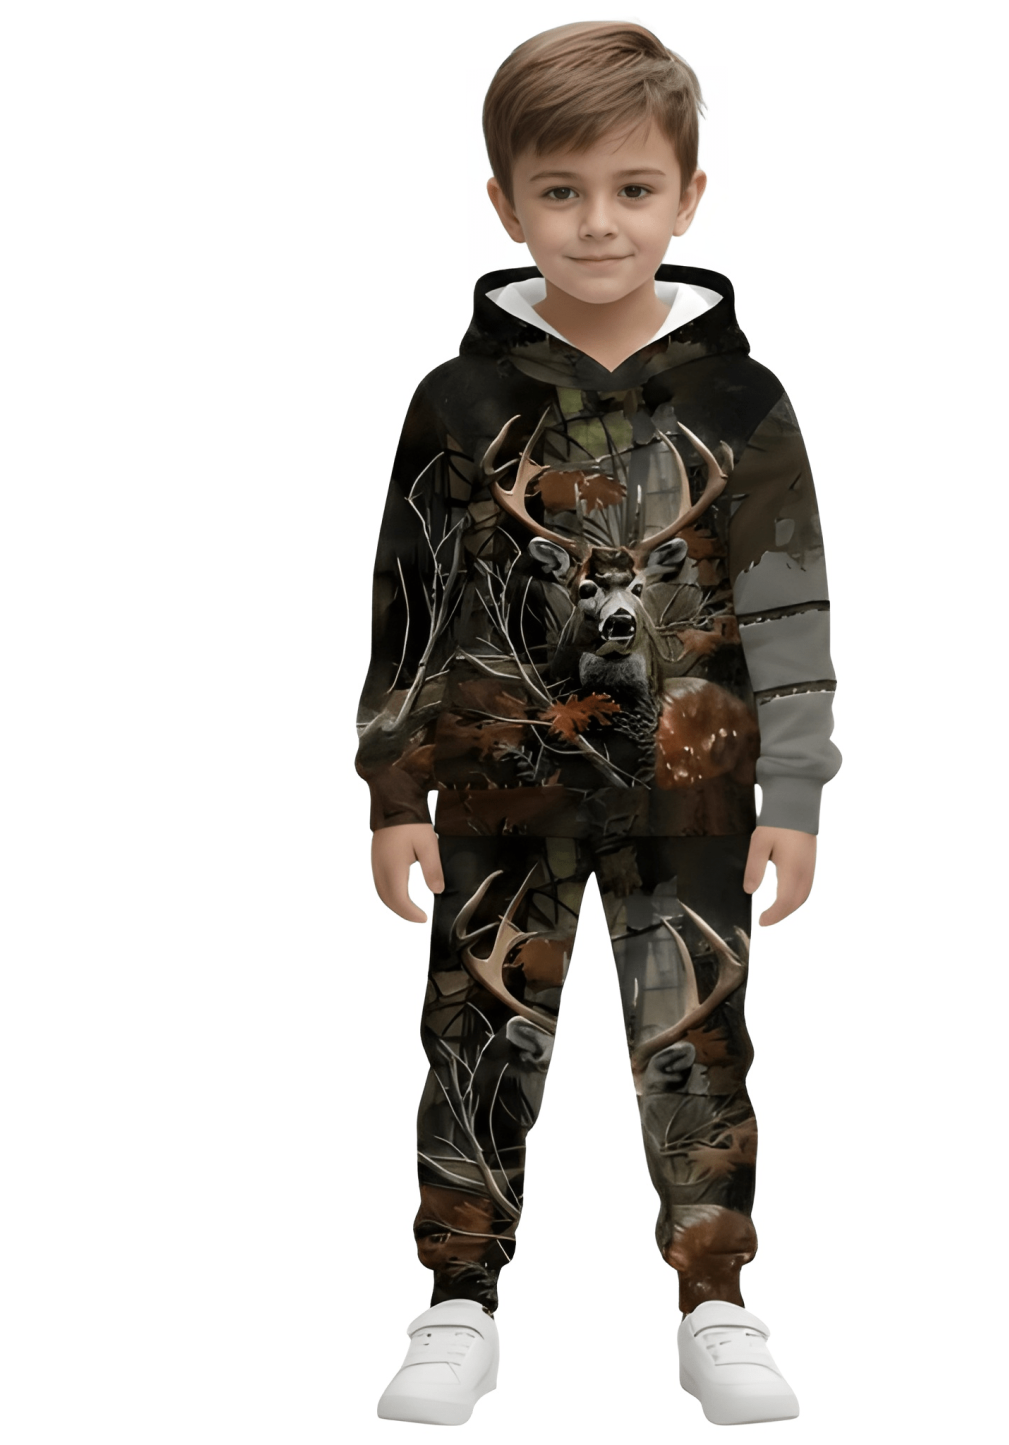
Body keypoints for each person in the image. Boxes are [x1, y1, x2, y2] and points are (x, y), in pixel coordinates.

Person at [354, 21, 840, 1427]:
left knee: (698, 1039)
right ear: (506, 204)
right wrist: (394, 786)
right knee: (475, 1034)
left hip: (697, 793)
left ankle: (715, 1302)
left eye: (633, 188)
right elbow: (410, 597)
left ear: (690, 197)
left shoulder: (744, 401)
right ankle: (458, 1300)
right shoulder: (456, 403)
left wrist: (795, 791)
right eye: (560, 191)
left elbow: (790, 602)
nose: (599, 222)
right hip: (493, 785)